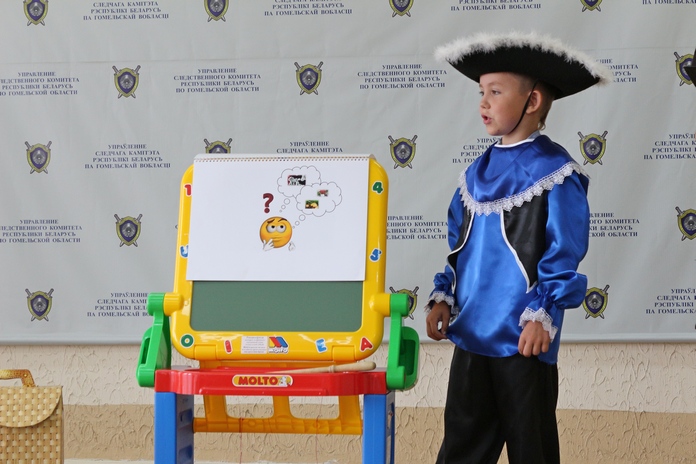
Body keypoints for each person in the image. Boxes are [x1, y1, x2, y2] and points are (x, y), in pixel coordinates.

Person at [425, 32, 612, 464]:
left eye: (495, 92)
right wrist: (445, 296)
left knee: (532, 449)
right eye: (481, 92)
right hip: (471, 338)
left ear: (532, 101)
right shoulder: (475, 173)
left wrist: (544, 313)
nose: (483, 103)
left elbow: (564, 251)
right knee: (461, 448)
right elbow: (461, 247)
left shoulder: (555, 172)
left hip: (522, 340)